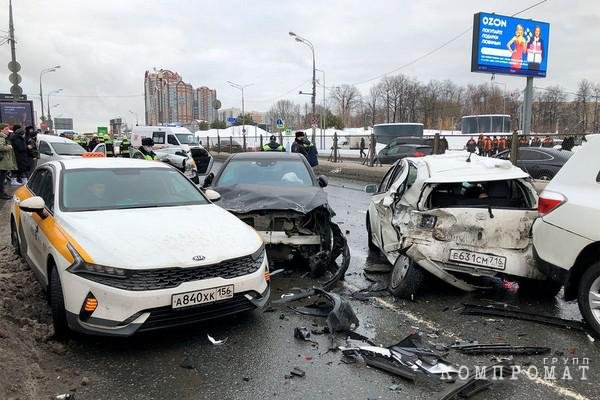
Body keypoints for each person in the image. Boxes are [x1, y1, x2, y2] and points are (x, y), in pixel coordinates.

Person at [0, 124, 17, 199]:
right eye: (6, 129)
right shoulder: (1, 138)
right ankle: (1, 194)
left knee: (2, 179)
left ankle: (3, 193)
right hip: (2, 163)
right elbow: (1, 147)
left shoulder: (4, 138)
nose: (8, 131)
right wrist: (9, 147)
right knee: (1, 179)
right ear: (1, 129)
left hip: (3, 162)